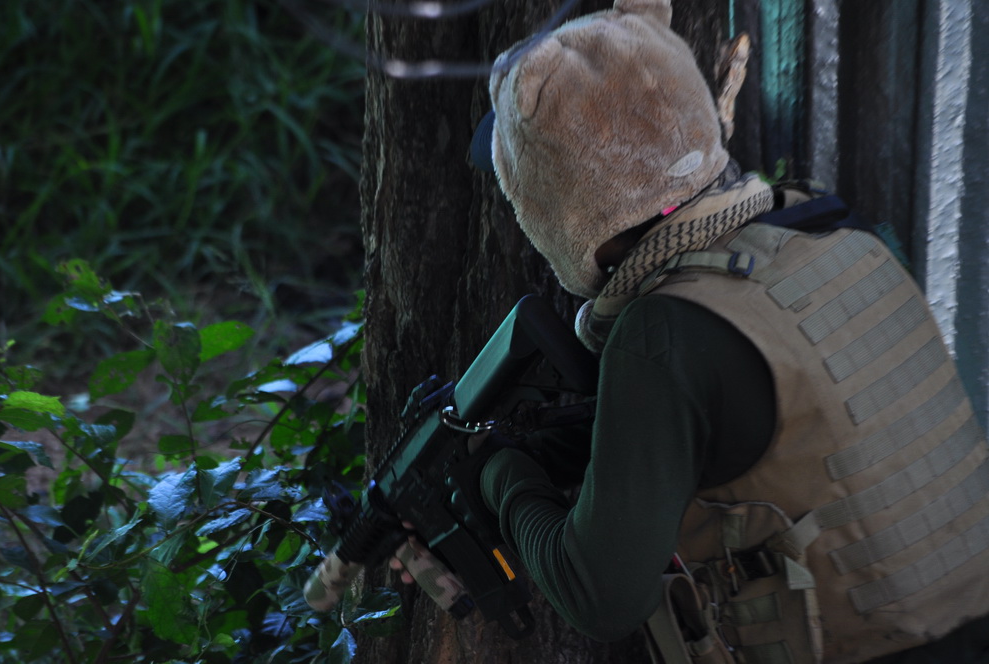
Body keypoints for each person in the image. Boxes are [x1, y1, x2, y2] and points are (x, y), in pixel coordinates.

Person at [399, 0, 989, 661]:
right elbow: (758, 435)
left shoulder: (662, 330)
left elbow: (599, 596)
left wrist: (497, 474)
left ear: (561, 209)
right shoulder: (826, 230)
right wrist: (538, 447)